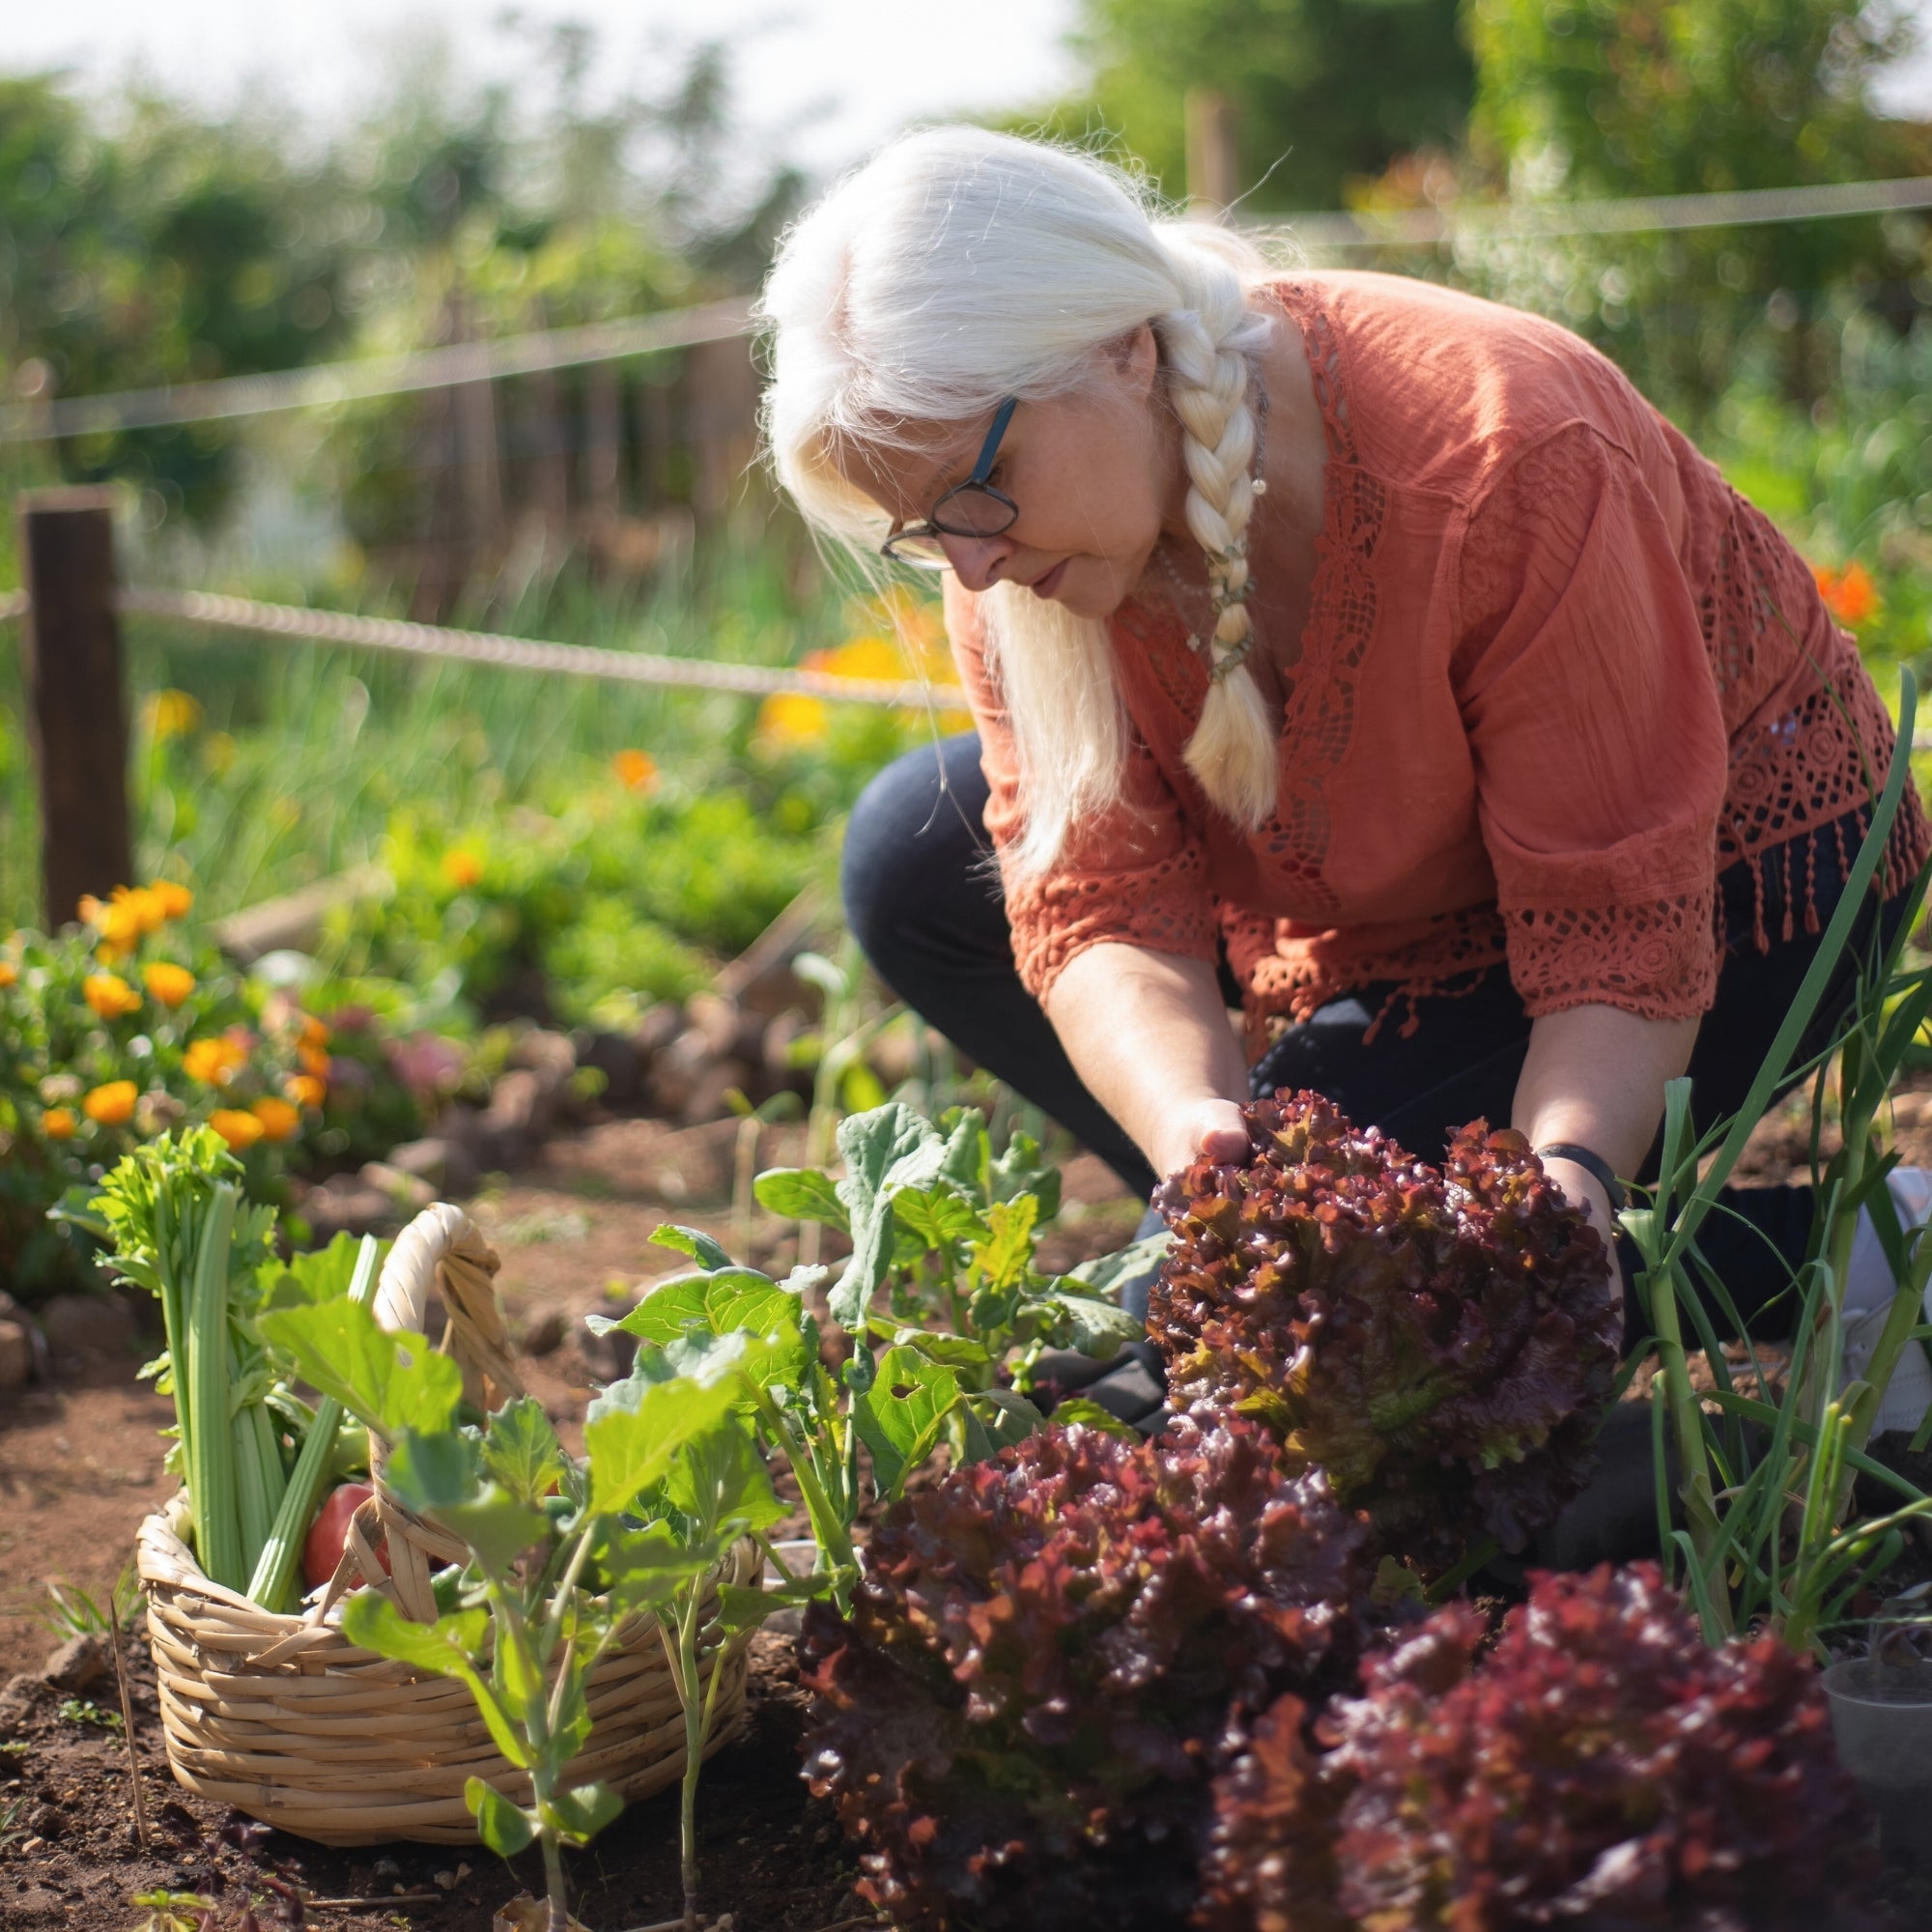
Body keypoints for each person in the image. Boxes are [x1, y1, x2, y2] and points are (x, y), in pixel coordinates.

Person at [755, 126, 1932, 1426]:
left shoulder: (1505, 450)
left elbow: (1613, 915)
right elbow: (1097, 899)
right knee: (913, 860)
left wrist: (1565, 1177)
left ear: (1121, 351)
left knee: (1304, 1310)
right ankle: (1315, 1255)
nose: (966, 570)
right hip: (1416, 903)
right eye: (921, 532)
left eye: (974, 502)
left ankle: (1856, 1246)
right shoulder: (1000, 530)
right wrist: (1194, 1132)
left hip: (1734, 886)